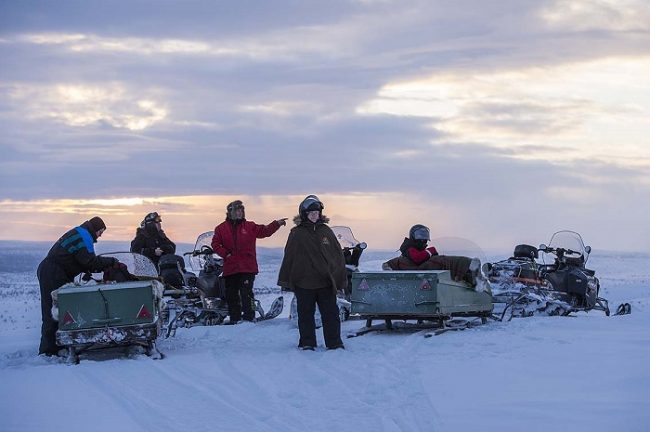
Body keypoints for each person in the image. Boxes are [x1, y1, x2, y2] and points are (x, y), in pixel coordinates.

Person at [37, 216, 119, 356]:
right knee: (53, 309)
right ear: (96, 229)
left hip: (53, 271)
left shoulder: (80, 233)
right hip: (53, 272)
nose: (100, 235)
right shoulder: (84, 236)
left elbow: (80, 260)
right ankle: (49, 350)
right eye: (101, 232)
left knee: (62, 308)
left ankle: (57, 344)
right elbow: (90, 261)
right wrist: (110, 262)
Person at [278, 195, 347, 350]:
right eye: (311, 213)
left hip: (325, 282)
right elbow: (290, 256)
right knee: (305, 316)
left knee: (331, 315)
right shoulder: (297, 233)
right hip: (304, 282)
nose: (314, 215)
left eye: (316, 212)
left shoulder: (326, 232)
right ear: (304, 214)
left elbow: (337, 256)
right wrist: (286, 281)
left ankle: (334, 343)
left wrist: (340, 279)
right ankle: (307, 343)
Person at [211, 200, 287, 323]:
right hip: (230, 268)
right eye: (237, 211)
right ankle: (234, 319)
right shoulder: (221, 229)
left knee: (247, 294)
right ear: (230, 212)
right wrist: (226, 254)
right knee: (231, 295)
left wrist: (276, 224)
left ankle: (249, 317)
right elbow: (215, 244)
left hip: (247, 267)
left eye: (241, 211)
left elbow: (265, 231)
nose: (240, 213)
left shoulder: (250, 226)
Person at [384, 224, 483, 287]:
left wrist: (429, 253)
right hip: (418, 268)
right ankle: (468, 265)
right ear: (413, 236)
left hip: (421, 266)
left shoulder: (414, 247)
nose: (423, 239)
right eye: (420, 235)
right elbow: (417, 259)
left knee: (442, 260)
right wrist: (431, 251)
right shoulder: (409, 247)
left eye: (424, 235)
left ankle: (470, 271)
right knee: (442, 261)